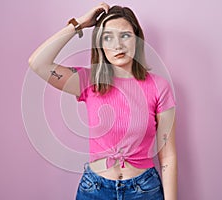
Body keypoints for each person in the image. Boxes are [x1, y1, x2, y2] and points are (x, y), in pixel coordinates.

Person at [28, 2, 177, 200]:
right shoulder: (88, 82)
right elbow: (38, 63)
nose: (117, 45)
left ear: (137, 39)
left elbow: (167, 156)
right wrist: (79, 24)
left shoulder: (159, 87)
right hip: (95, 190)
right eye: (108, 38)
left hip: (144, 191)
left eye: (125, 35)